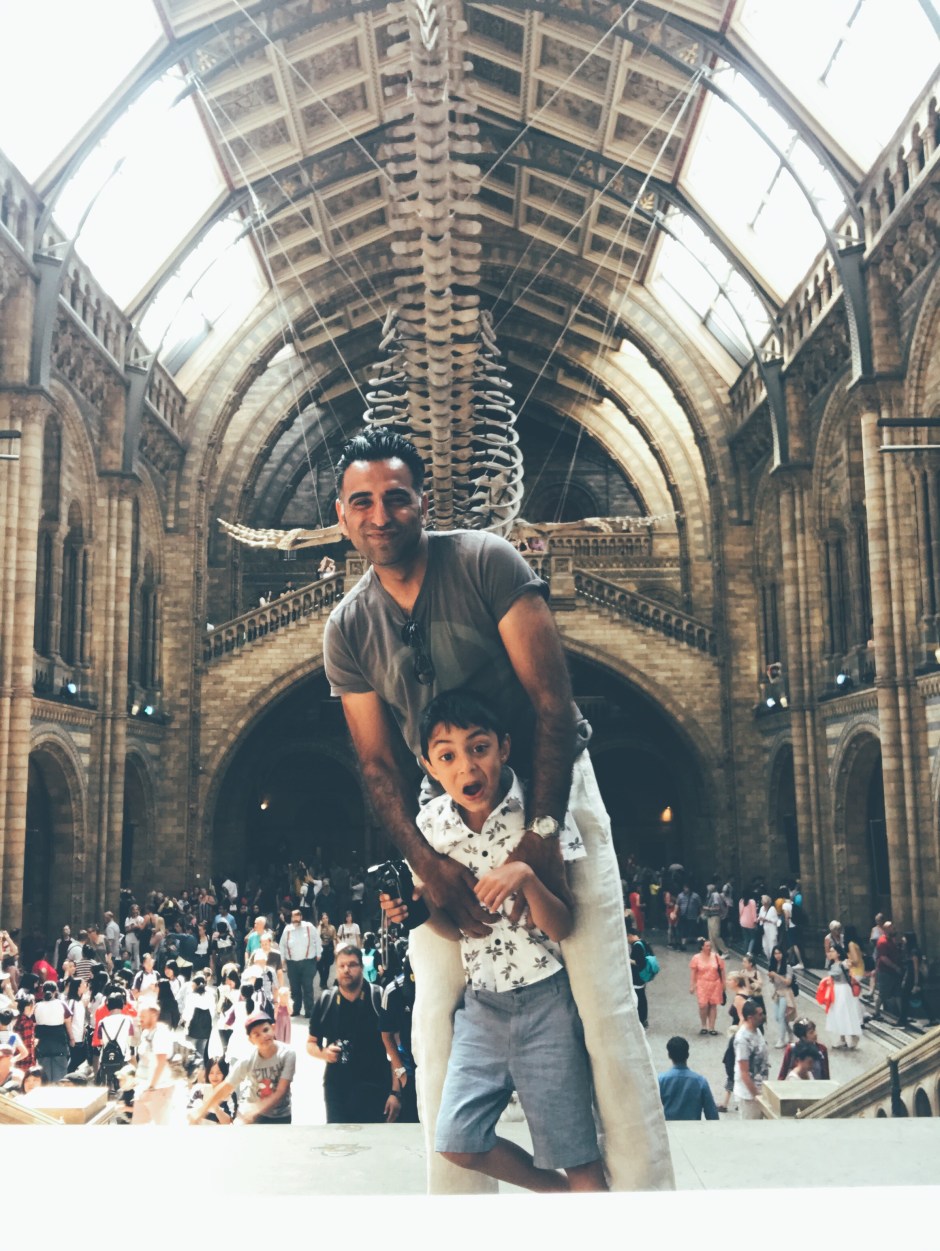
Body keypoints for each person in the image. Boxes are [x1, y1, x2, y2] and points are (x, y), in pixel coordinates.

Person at [323, 427, 672, 1193]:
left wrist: (542, 832)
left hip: (552, 787)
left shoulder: (487, 561)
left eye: (395, 497)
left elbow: (552, 702)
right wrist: (427, 865)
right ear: (342, 515)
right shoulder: (347, 627)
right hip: (445, 816)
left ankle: (640, 1210)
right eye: (362, 501)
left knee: (605, 1006)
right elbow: (378, 764)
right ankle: (461, 1217)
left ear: (423, 502)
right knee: (432, 1019)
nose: (380, 514)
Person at [406, 690, 606, 1193]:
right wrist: (418, 912)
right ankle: (560, 1197)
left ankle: (588, 1207)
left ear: (504, 748)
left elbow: (562, 926)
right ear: (429, 767)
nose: (466, 767)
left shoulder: (537, 814)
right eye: (447, 756)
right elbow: (459, 928)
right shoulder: (430, 828)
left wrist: (526, 876)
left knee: (579, 1157)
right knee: (458, 1141)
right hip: (482, 1007)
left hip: (547, 1003)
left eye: (479, 748)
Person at [307, 944, 402, 1124]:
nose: (346, 970)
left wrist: (395, 1093)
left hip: (376, 1086)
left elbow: (397, 1048)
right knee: (339, 1139)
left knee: (374, 1140)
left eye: (352, 965)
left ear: (362, 967)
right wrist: (324, 1053)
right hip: (337, 1089)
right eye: (341, 965)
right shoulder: (326, 1001)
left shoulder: (378, 998)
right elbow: (311, 1043)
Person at [192, 1012, 295, 1125]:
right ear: (250, 1039)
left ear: (273, 1028)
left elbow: (281, 1091)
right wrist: (200, 1113)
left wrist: (255, 1110)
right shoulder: (248, 1059)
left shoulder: (287, 1054)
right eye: (256, 1034)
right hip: (254, 1115)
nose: (263, 1036)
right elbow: (226, 1086)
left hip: (280, 1115)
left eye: (266, 1030)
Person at [132, 995, 176, 1124]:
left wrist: (151, 1088)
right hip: (143, 1088)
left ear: (153, 1015)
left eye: (143, 1016)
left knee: (162, 1128)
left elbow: (161, 1062)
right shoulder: (146, 1033)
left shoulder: (161, 1033)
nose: (140, 1019)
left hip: (159, 1089)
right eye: (139, 1016)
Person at [823, 921, 864, 1049]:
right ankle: (842, 1038)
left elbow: (852, 964)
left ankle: (853, 1035)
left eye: (832, 951)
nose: (830, 953)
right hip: (835, 990)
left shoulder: (844, 963)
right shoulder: (833, 965)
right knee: (838, 1013)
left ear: (838, 953)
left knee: (845, 1012)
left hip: (844, 990)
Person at [657, 1036, 719, 1121]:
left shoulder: (660, 1080)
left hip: (669, 1127)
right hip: (692, 1128)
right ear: (688, 1055)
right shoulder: (700, 1081)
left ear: (669, 1055)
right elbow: (712, 1115)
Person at [278, 908, 321, 1019]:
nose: (296, 919)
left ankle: (309, 1011)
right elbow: (282, 945)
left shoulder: (309, 927)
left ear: (301, 917)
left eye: (298, 916)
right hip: (292, 963)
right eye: (294, 917)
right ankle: (295, 1009)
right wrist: (282, 959)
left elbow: (317, 940)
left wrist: (318, 953)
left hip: (308, 962)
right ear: (291, 918)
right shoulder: (287, 929)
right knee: (294, 988)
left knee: (307, 986)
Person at [733, 998, 769, 1120]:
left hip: (760, 1089)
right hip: (748, 1095)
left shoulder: (756, 1030)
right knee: (751, 1127)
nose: (763, 1017)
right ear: (750, 1017)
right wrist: (756, 1096)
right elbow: (744, 1072)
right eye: (760, 1014)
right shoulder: (743, 1039)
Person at [689, 938, 726, 1035]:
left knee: (713, 1005)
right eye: (707, 946)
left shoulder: (716, 957)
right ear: (702, 947)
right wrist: (692, 985)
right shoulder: (696, 958)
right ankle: (703, 1025)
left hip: (715, 983)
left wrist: (723, 984)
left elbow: (722, 970)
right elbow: (693, 972)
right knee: (703, 1005)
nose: (709, 948)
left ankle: (712, 1027)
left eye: (710, 946)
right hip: (702, 984)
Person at [777, 1017, 829, 1081]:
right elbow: (783, 1074)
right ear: (803, 1037)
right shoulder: (791, 1049)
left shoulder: (822, 1049)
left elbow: (825, 1075)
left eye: (815, 1030)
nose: (815, 1034)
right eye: (811, 1032)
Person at [767, 944, 796, 1048]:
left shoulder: (787, 967)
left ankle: (781, 1039)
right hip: (777, 993)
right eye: (775, 953)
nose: (777, 955)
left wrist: (776, 975)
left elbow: (788, 982)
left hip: (786, 993)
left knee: (781, 1016)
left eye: (779, 953)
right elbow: (773, 981)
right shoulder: (773, 965)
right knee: (778, 1017)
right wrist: (771, 977)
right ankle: (790, 1032)